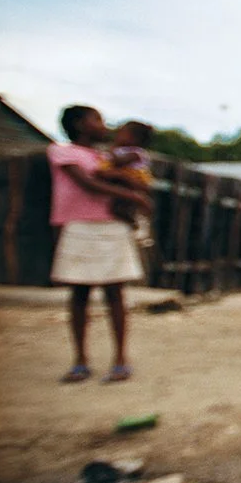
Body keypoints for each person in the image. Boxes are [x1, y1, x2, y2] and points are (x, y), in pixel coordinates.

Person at [48, 105, 153, 383]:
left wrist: (133, 188)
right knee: (79, 294)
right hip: (79, 226)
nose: (104, 125)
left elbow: (138, 178)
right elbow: (87, 184)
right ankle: (80, 360)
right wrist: (133, 197)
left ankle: (120, 359)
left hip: (111, 227)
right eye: (96, 120)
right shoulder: (63, 152)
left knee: (114, 293)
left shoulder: (105, 156)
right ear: (79, 124)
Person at [97, 120, 155, 245]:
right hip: (123, 182)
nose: (117, 135)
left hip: (133, 181)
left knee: (126, 206)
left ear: (135, 139)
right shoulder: (121, 150)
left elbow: (119, 162)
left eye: (122, 133)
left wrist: (111, 151)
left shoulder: (136, 153)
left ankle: (132, 222)